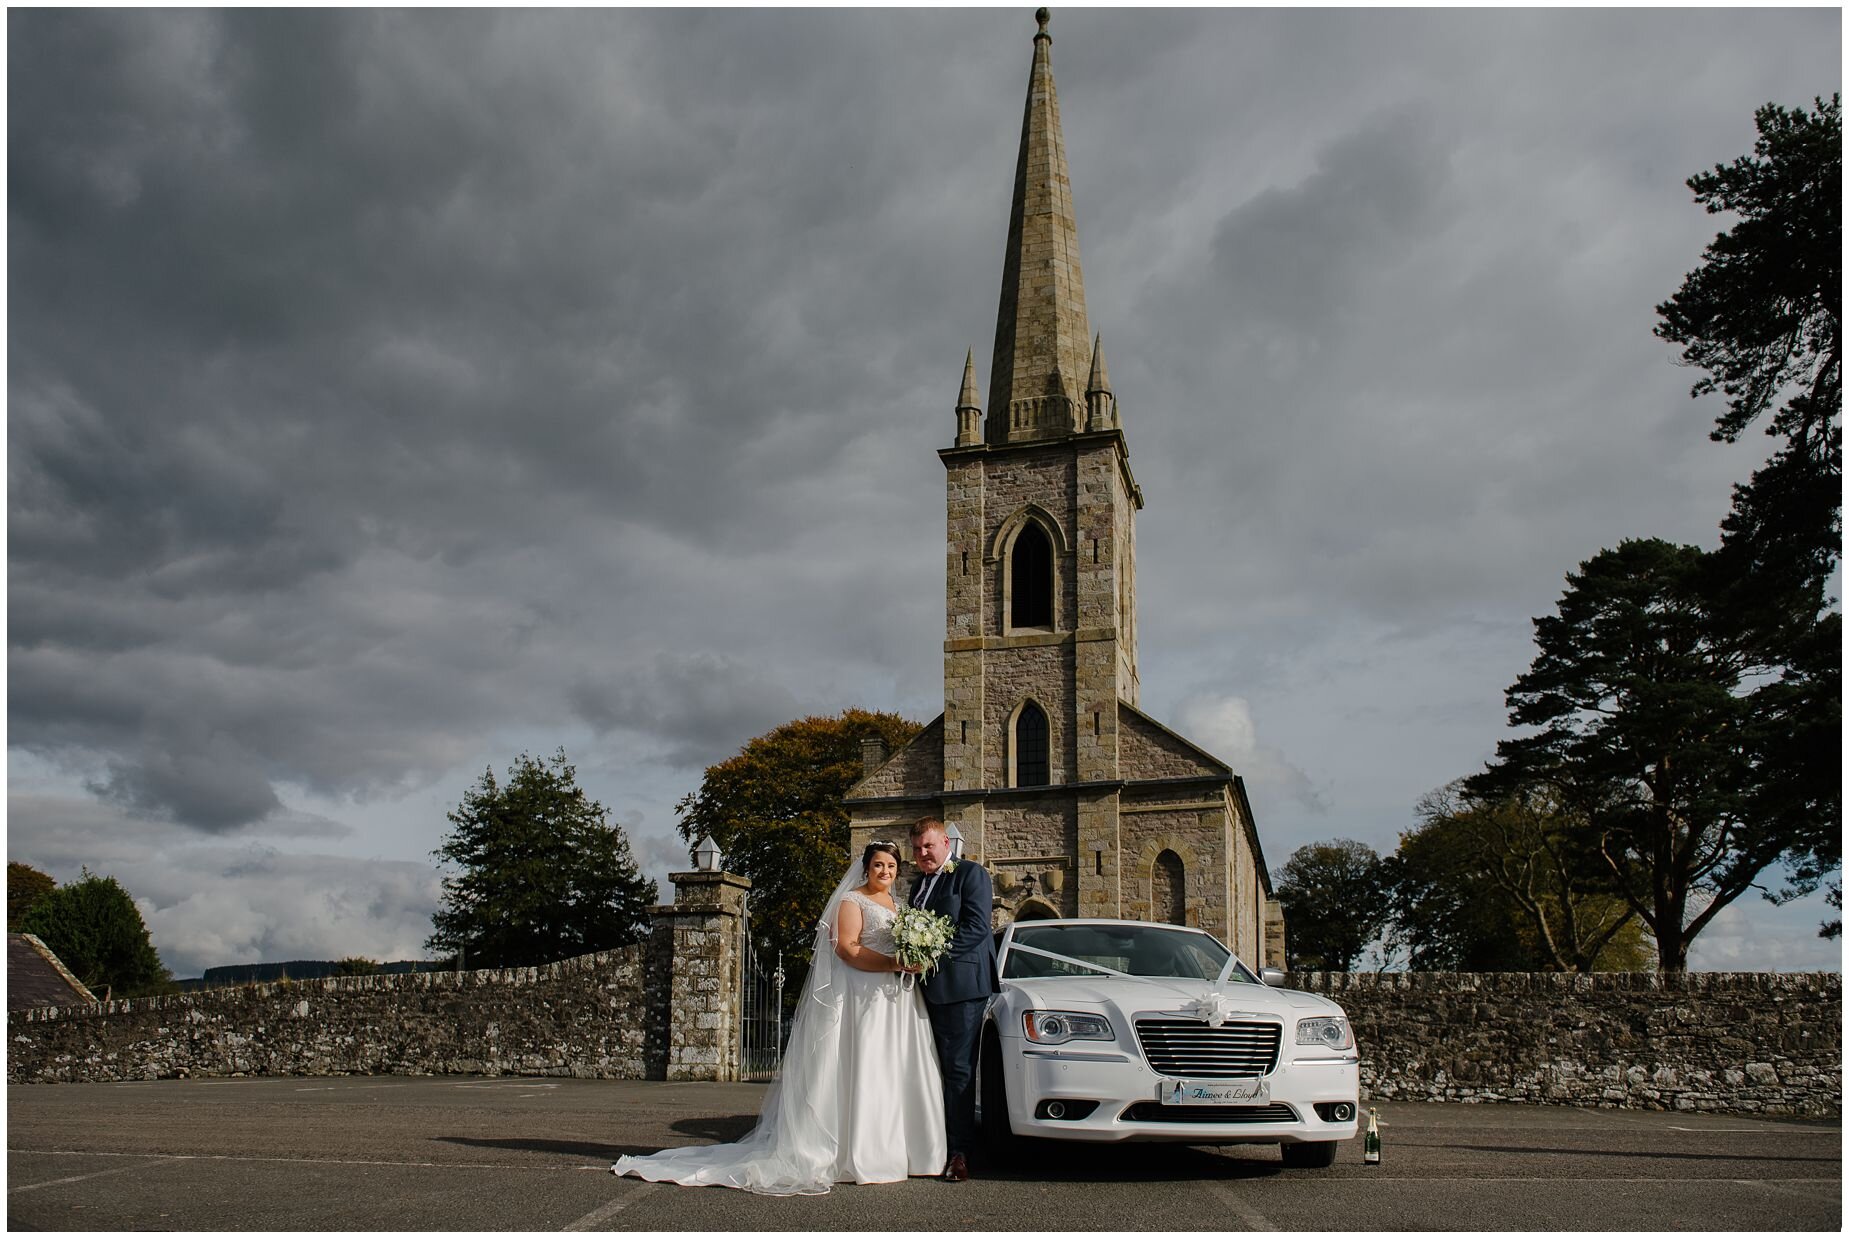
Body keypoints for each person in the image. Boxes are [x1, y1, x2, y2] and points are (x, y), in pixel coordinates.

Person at [610, 840, 946, 1194]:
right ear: (866, 868)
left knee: (891, 1070)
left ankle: (899, 1150)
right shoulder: (852, 901)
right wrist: (892, 962)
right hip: (862, 997)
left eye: (891, 867)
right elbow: (847, 949)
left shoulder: (899, 905)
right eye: (879, 865)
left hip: (895, 1001)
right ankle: (860, 1152)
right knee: (863, 1068)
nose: (885, 872)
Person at [908, 816, 1000, 1182]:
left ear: (945, 842)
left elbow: (977, 929)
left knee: (959, 1070)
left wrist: (929, 957)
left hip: (963, 990)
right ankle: (931, 1144)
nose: (923, 854)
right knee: (929, 1068)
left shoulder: (970, 874)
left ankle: (960, 1152)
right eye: (916, 849)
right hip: (924, 990)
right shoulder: (917, 885)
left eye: (928, 846)